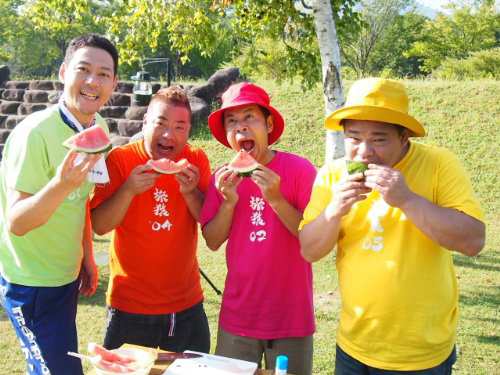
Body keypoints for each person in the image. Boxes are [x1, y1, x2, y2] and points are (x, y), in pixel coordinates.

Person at [299, 78, 486, 374]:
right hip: (353, 345)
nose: (364, 152)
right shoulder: (332, 175)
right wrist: (335, 209)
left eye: (379, 139)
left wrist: (408, 199)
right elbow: (309, 250)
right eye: (354, 137)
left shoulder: (438, 164)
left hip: (421, 353)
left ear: (404, 137)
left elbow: (473, 240)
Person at [0, 34, 118, 375]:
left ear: (114, 82)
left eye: (104, 73)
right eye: (84, 69)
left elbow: (81, 200)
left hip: (65, 278)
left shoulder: (99, 127)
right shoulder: (33, 134)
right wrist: (60, 184)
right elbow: (17, 223)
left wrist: (85, 255)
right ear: (64, 72)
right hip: (30, 284)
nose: (93, 81)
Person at [200, 82, 317, 375]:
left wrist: (276, 198)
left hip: (291, 316)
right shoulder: (222, 178)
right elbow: (212, 241)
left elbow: (312, 242)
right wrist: (228, 203)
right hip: (239, 316)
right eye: (232, 121)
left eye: (249, 117)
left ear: (268, 123)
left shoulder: (301, 170)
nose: (241, 128)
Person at [90, 86, 211, 353]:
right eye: (161, 123)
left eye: (180, 127)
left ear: (189, 131)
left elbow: (207, 221)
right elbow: (100, 225)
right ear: (145, 123)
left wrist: (191, 193)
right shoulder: (121, 160)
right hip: (129, 306)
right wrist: (129, 189)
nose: (169, 134)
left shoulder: (196, 160)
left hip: (187, 305)